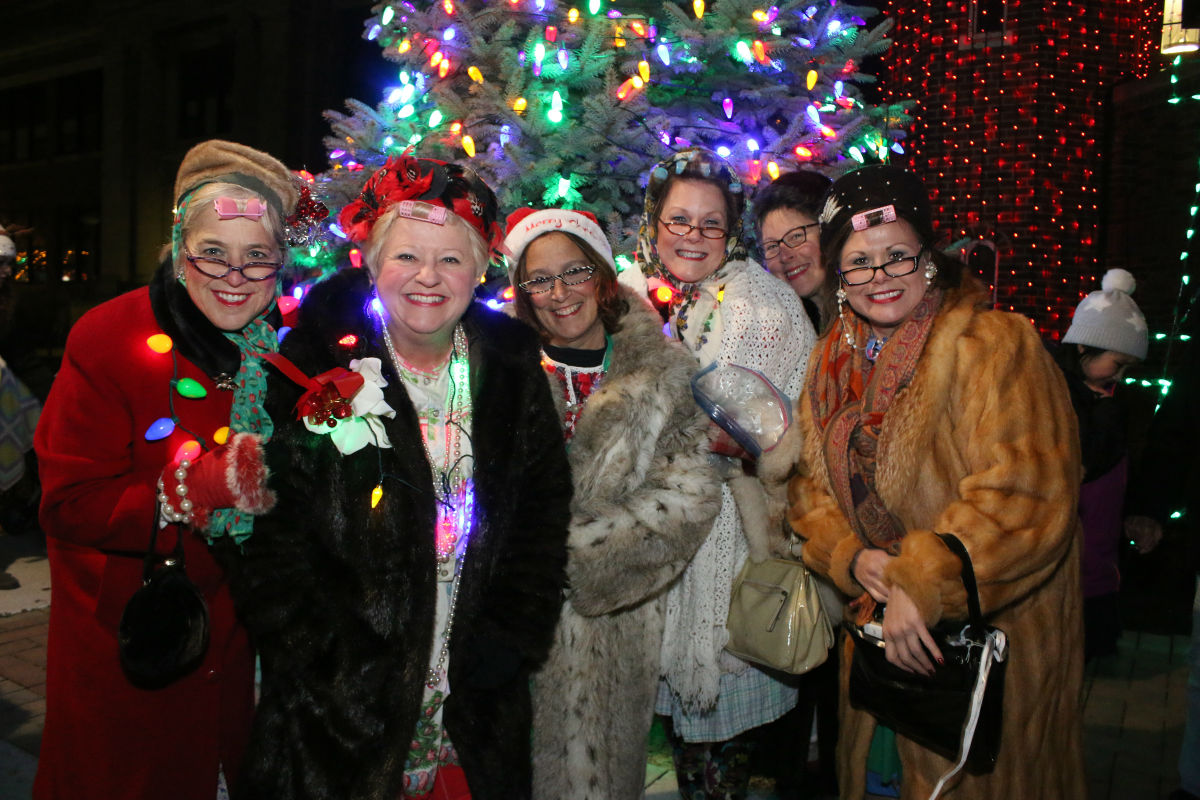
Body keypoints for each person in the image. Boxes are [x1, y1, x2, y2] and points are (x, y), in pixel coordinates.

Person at [199, 156, 572, 800]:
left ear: (481, 270)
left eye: (451, 260)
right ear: (370, 262)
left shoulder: (510, 362)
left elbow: (543, 512)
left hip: (474, 696)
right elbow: (269, 532)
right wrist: (322, 660)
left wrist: (512, 635)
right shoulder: (314, 359)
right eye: (406, 257)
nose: (428, 277)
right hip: (337, 714)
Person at [784, 164, 1085, 797]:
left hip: (987, 649)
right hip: (876, 646)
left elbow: (1024, 496)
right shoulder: (830, 358)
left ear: (928, 257)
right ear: (839, 276)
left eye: (897, 256)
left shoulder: (994, 345)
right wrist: (851, 555)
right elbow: (809, 486)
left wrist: (923, 581)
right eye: (858, 263)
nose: (880, 278)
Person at [33, 140, 301, 799]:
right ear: (180, 245)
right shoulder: (108, 336)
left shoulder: (282, 350)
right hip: (128, 643)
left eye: (256, 258)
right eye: (213, 252)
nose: (233, 276)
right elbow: (67, 503)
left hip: (237, 647)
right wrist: (192, 489)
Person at [502, 206, 721, 799]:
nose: (560, 293)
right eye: (540, 279)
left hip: (619, 633)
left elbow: (690, 493)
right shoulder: (501, 373)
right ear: (522, 292)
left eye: (574, 272)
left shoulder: (664, 370)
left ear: (601, 276)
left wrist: (570, 555)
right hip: (515, 635)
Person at [637, 146, 816, 799]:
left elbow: (721, 430)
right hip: (698, 560)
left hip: (732, 580)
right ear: (654, 226)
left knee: (718, 769)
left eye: (709, 224)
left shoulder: (752, 307)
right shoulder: (696, 298)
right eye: (678, 221)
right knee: (702, 766)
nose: (692, 236)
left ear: (731, 233)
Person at [1053, 267, 1162, 660]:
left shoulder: (1107, 398)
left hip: (1098, 566)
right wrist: (1107, 415)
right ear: (1085, 347)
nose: (1120, 377)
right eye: (1116, 365)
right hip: (1062, 573)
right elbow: (1089, 458)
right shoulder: (1061, 398)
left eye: (1128, 368)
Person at [752, 170, 834, 329]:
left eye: (796, 237)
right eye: (772, 246)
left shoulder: (873, 317)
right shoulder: (775, 334)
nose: (784, 255)